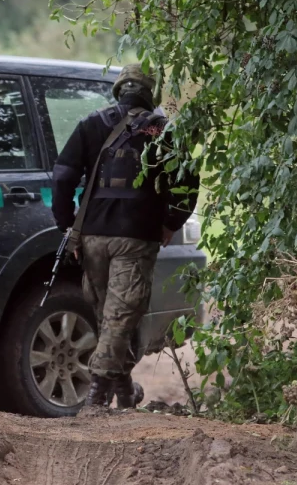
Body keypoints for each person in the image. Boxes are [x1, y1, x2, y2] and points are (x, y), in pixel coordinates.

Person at [51, 64, 198, 409]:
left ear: (119, 89)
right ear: (151, 93)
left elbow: (62, 177)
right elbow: (188, 183)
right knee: (119, 317)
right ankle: (97, 396)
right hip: (137, 237)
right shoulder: (162, 130)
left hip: (92, 236)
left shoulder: (91, 123)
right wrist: (171, 223)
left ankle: (124, 393)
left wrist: (67, 224)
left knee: (110, 316)